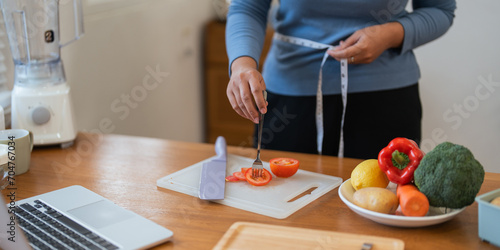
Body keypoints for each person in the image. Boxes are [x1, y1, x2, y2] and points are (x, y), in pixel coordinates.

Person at [225, 0, 456, 159]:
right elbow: (248, 6)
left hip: (386, 100)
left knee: (384, 210)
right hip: (291, 98)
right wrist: (242, 65)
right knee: (282, 210)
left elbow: (439, 9)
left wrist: (389, 34)